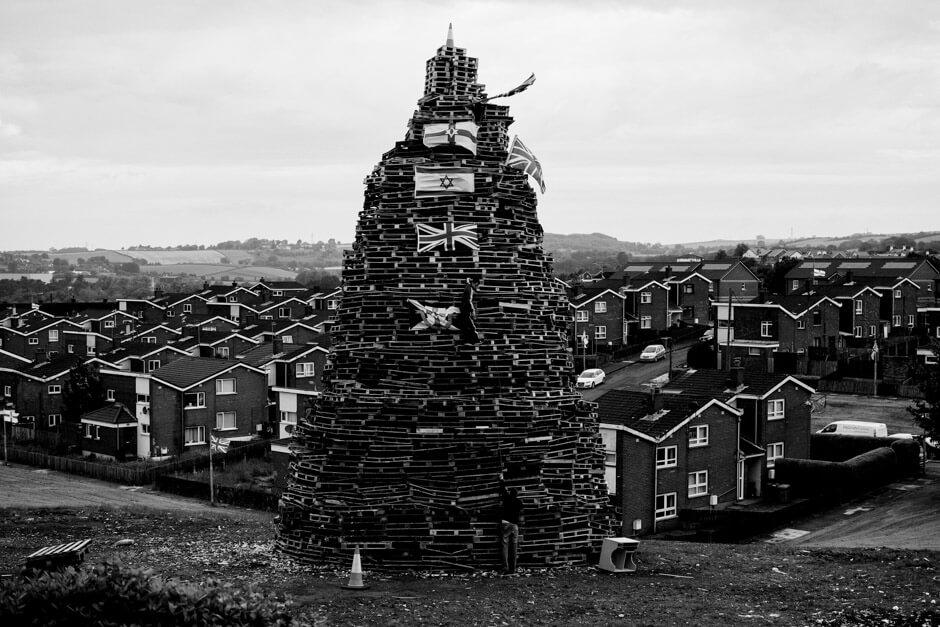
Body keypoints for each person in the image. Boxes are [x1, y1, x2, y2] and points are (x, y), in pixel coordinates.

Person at [499, 477, 522, 575]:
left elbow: (503, 489)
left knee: (504, 546)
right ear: (516, 495)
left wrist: (501, 480)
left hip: (505, 524)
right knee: (514, 547)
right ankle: (513, 569)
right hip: (515, 526)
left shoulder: (506, 498)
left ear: (510, 493)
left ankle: (505, 567)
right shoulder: (519, 502)